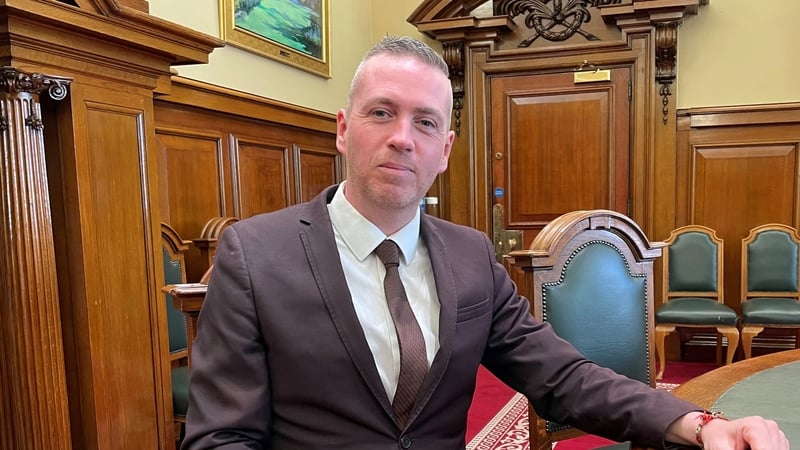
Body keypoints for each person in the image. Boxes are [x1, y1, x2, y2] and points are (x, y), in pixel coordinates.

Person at [181, 36, 788, 450]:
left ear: (445, 149)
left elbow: (564, 377)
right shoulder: (256, 256)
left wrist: (698, 422)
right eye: (380, 113)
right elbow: (220, 437)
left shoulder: (471, 256)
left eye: (425, 122)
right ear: (344, 130)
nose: (402, 138)